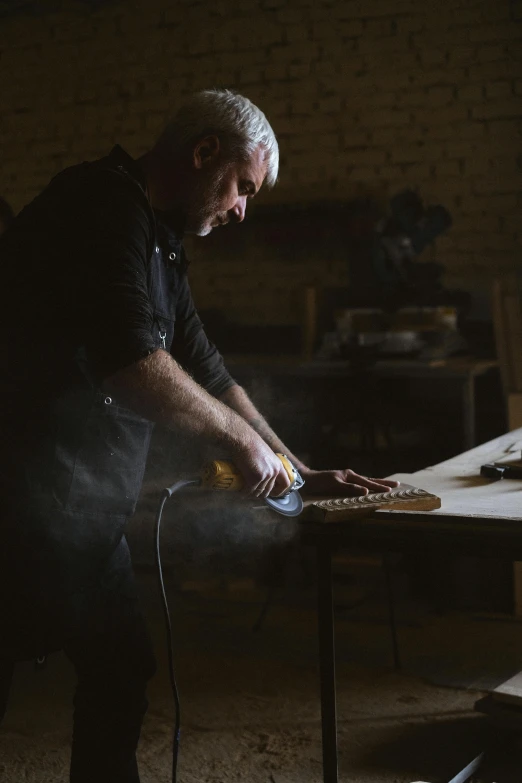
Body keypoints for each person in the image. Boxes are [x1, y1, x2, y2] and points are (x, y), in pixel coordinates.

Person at [0, 88, 397, 782]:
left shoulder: (161, 241)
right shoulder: (101, 204)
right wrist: (241, 444)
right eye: (243, 186)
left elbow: (208, 371)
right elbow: (133, 363)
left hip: (77, 515)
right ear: (205, 151)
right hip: (13, 504)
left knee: (120, 669)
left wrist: (296, 471)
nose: (242, 208)